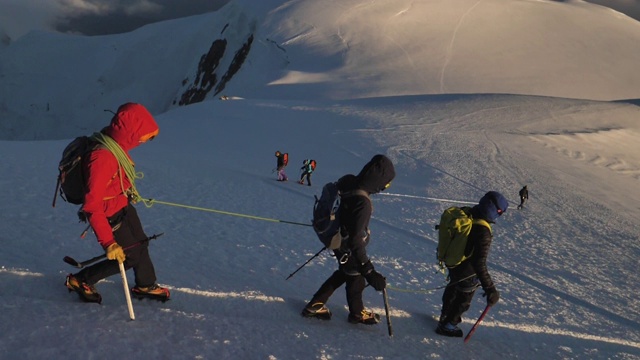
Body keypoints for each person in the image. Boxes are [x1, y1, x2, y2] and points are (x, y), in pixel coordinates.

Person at [65, 103, 169, 304]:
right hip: (109, 213)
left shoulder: (115, 143)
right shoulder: (102, 157)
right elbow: (92, 204)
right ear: (131, 133)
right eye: (143, 137)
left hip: (122, 204)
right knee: (129, 256)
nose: (143, 142)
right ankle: (81, 280)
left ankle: (146, 284)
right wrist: (109, 243)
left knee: (141, 243)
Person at [301, 154, 396, 325]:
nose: (384, 188)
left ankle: (317, 305)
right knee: (355, 277)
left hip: (337, 237)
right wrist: (369, 270)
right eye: (386, 184)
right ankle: (356, 314)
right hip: (346, 245)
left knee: (345, 273)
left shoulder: (349, 180)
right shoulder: (363, 203)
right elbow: (355, 240)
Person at [436, 191, 508, 337]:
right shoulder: (483, 231)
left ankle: (444, 317)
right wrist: (490, 289)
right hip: (467, 272)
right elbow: (479, 262)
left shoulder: (467, 213)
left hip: (453, 263)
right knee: (463, 299)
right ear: (496, 211)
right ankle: (449, 325)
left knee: (452, 289)